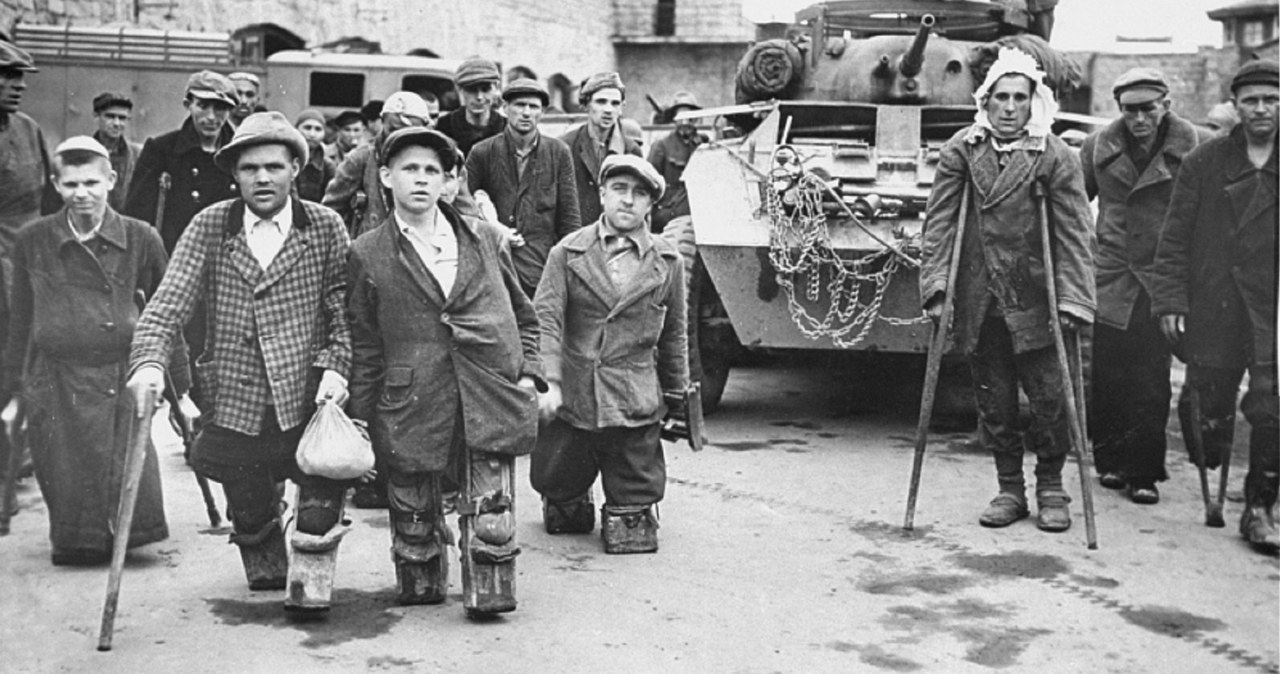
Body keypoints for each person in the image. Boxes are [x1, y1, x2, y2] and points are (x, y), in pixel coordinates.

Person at [126, 111, 355, 611]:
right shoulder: (211, 225)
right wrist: (147, 362)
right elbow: (168, 304)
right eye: (249, 168)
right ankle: (263, 544)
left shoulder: (324, 227)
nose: (263, 178)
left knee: (318, 504)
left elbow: (343, 312)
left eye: (275, 166)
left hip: (307, 397)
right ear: (234, 173)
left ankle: (313, 571)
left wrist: (337, 366)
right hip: (236, 397)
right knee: (252, 520)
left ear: (296, 167)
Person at [347, 127, 542, 612]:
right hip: (411, 400)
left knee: (492, 518)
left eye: (433, 171)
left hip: (488, 392)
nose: (421, 180)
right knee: (413, 519)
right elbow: (365, 341)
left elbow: (523, 314)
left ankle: (489, 587)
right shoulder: (366, 252)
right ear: (386, 176)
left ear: (449, 181)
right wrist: (361, 414)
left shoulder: (482, 238)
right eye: (409, 169)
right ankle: (422, 576)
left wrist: (528, 372)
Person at [919, 47, 1095, 533]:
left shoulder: (1053, 153)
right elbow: (939, 224)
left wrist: (1075, 296)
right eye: (1001, 97)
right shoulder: (963, 148)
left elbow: (1076, 232)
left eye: (1020, 97)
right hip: (980, 295)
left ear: (1033, 101)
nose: (1010, 107)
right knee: (994, 401)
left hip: (1037, 297)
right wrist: (936, 286)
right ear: (986, 100)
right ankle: (1010, 490)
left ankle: (1052, 486)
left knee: (1049, 398)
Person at [4, 136, 194, 566]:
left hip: (120, 373)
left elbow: (168, 311)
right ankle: (77, 539)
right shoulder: (34, 240)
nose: (82, 194)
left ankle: (127, 533)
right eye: (70, 185)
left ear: (111, 179)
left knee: (121, 467)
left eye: (92, 182)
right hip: (56, 376)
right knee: (65, 467)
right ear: (56, 184)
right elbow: (21, 320)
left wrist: (182, 386)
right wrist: (13, 390)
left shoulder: (140, 237)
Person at [531, 154, 689, 554]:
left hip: (634, 391)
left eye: (639, 194)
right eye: (619, 190)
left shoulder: (668, 260)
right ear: (601, 194)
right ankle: (566, 499)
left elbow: (674, 335)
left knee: (635, 481)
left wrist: (678, 395)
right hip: (576, 392)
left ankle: (631, 508)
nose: (628, 201)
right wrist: (547, 382)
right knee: (561, 475)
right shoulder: (567, 254)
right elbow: (545, 322)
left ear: (651, 205)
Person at [1151, 60, 1279, 553]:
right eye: (1251, 100)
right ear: (1236, 106)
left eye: (1271, 99)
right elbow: (1175, 234)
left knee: (1272, 404)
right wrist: (1169, 299)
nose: (1262, 109)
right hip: (1215, 302)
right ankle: (1211, 452)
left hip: (1274, 307)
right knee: (1209, 409)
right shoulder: (1205, 162)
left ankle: (1259, 508)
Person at [1080, 68, 1215, 505]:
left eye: (1148, 109)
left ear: (1166, 106)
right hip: (1113, 275)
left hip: (1161, 276)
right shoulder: (1098, 146)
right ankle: (1110, 462)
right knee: (1108, 375)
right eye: (1130, 110)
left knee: (1150, 378)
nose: (1139, 118)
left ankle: (1144, 471)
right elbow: (1072, 199)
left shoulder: (1193, 149)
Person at [466, 78, 581, 297]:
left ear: (542, 112)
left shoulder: (558, 152)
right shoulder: (482, 152)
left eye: (534, 106)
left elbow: (570, 218)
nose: (526, 113)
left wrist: (567, 270)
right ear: (504, 108)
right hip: (493, 267)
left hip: (542, 270)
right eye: (519, 105)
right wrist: (493, 228)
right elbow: (462, 206)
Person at [123, 70, 239, 253]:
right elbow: (137, 214)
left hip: (228, 257)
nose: (211, 117)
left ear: (230, 111)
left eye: (220, 108)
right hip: (177, 254)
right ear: (188, 105)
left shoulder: (239, 153)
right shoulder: (162, 149)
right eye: (203, 106)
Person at [323, 92, 433, 242]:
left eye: (410, 132)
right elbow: (330, 212)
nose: (400, 137)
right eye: (393, 130)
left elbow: (463, 210)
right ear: (382, 122)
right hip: (371, 251)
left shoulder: (438, 158)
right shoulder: (360, 159)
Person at [560, 72, 642, 227]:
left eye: (615, 103)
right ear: (586, 105)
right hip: (575, 237)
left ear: (621, 109)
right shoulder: (565, 146)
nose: (608, 110)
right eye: (601, 102)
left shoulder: (631, 151)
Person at [647, 91, 709, 233]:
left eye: (689, 117)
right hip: (669, 215)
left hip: (698, 212)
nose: (685, 122)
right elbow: (649, 182)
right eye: (681, 117)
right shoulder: (661, 145)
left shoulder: (703, 144)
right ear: (674, 119)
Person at [435, 57, 505, 157]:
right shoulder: (444, 127)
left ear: (496, 89)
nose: (479, 97)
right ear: (460, 90)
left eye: (485, 89)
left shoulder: (507, 129)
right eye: (471, 90)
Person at [91, 92, 142, 212]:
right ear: (96, 116)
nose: (116, 123)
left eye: (122, 118)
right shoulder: (83, 152)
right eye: (110, 116)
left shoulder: (137, 155)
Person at [293, 109, 335, 203]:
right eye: (307, 128)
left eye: (318, 129)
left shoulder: (328, 166)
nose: (312, 134)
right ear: (296, 129)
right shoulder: (286, 160)